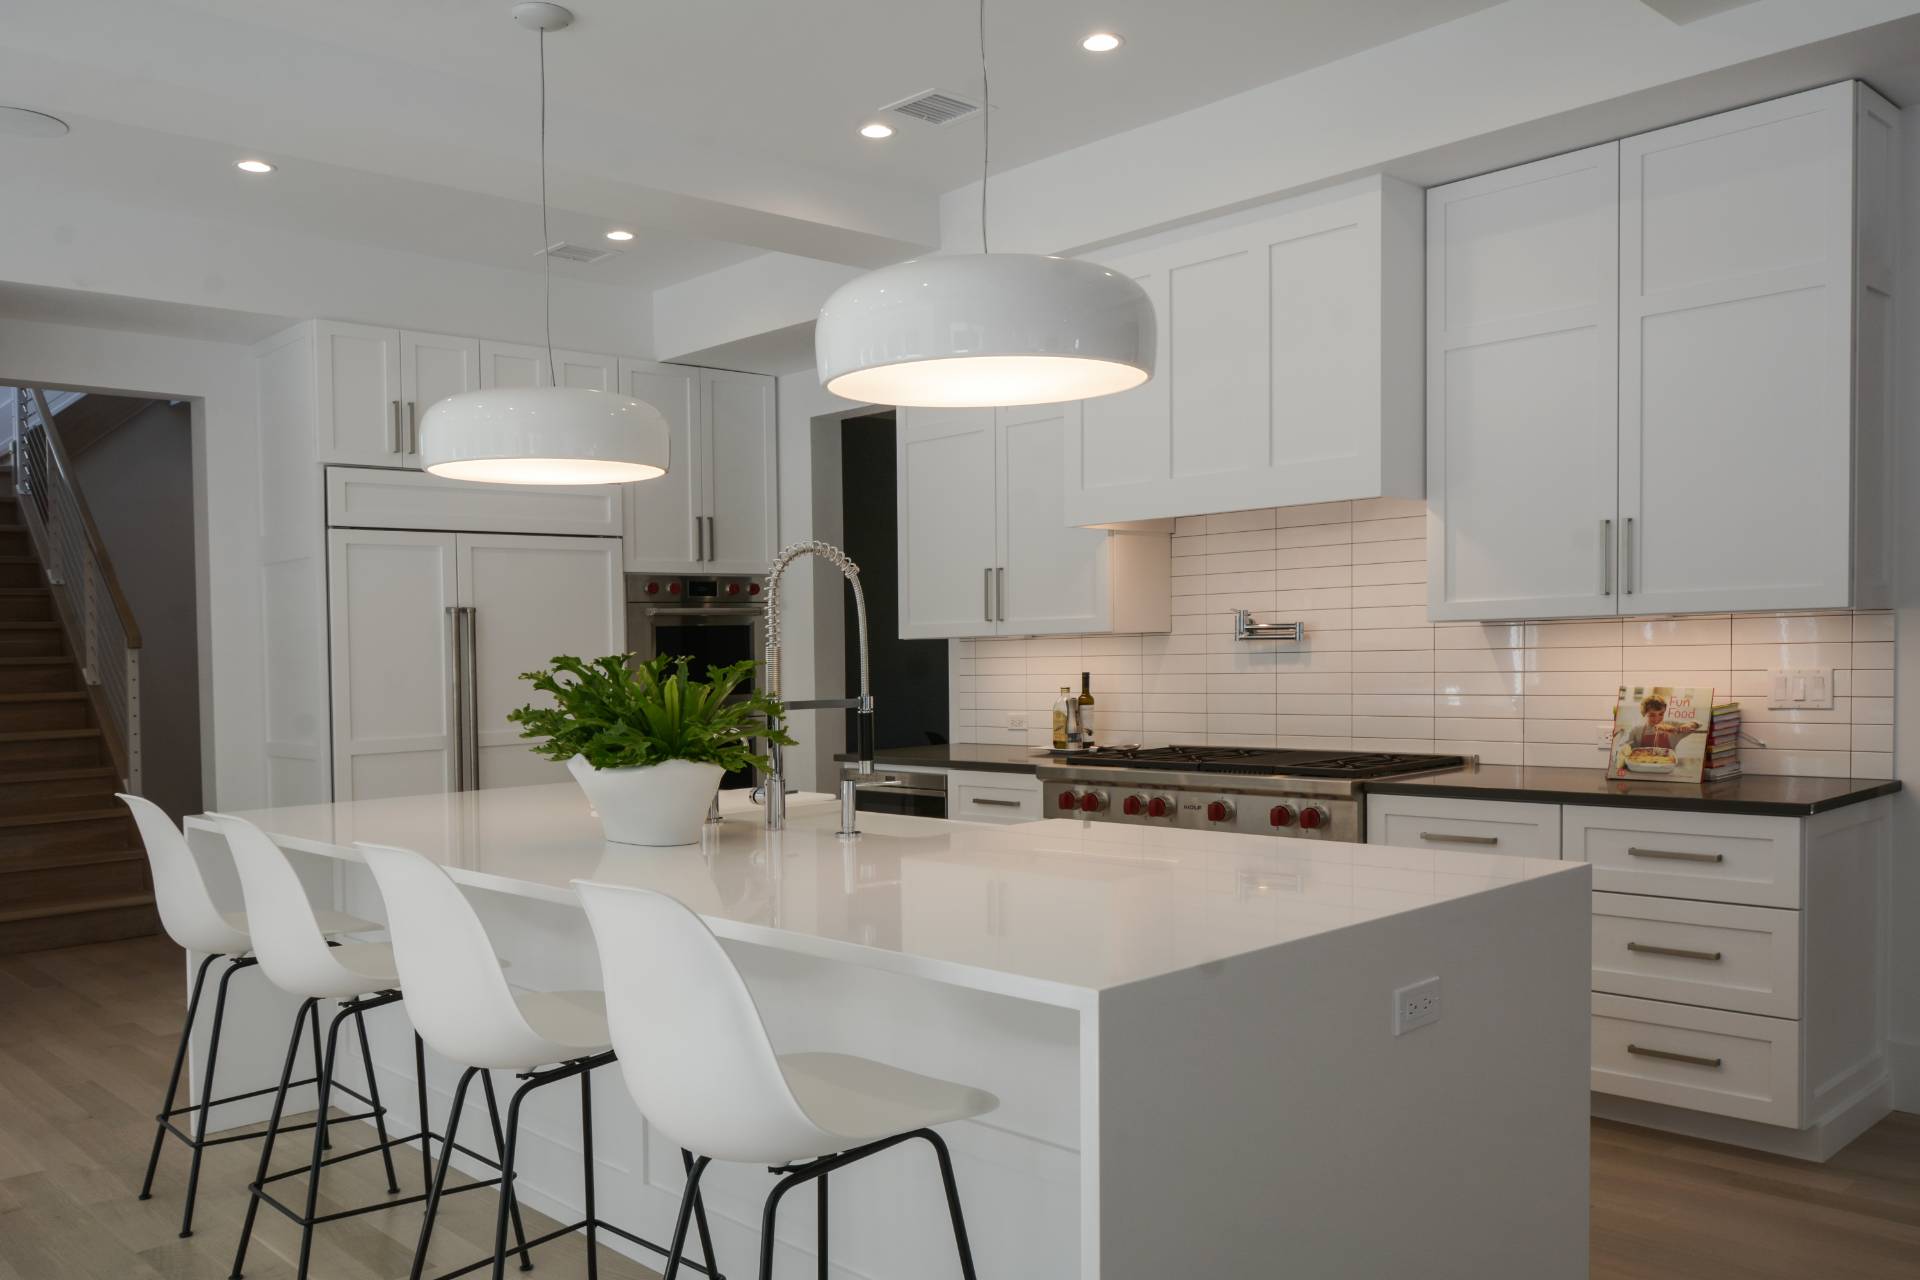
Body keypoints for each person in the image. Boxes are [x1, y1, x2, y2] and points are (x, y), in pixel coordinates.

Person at [1623, 694, 1700, 751]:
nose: (1657, 719)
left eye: (1661, 714)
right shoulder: (1636, 730)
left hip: (1668, 765)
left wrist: (1690, 725)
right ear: (1644, 714)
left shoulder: (1672, 725)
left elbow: (1698, 723)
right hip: (1641, 765)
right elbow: (1622, 747)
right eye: (1652, 715)